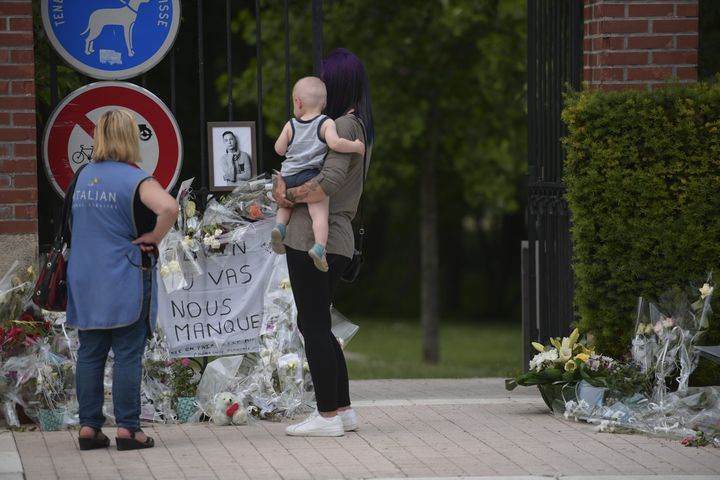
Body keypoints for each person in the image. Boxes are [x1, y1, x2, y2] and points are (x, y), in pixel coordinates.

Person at [273, 49, 374, 437]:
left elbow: (328, 182)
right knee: (319, 323)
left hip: (315, 233)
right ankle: (343, 410)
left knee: (312, 324)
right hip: (336, 234)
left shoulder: (342, 126)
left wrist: (284, 196)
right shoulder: (353, 125)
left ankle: (326, 415)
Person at [65, 109, 178, 451]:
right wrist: (154, 237)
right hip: (124, 275)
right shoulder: (137, 179)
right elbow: (169, 208)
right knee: (128, 353)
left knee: (90, 352)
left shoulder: (81, 177)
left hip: (85, 277)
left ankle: (89, 427)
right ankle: (129, 430)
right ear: (131, 138)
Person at [271, 76, 365, 272]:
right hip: (309, 175)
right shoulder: (326, 122)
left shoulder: (290, 124)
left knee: (284, 206)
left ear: (297, 101)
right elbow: (336, 144)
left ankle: (279, 228)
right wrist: (355, 146)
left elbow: (279, 149)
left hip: (288, 176)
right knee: (319, 215)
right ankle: (319, 247)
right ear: (323, 103)